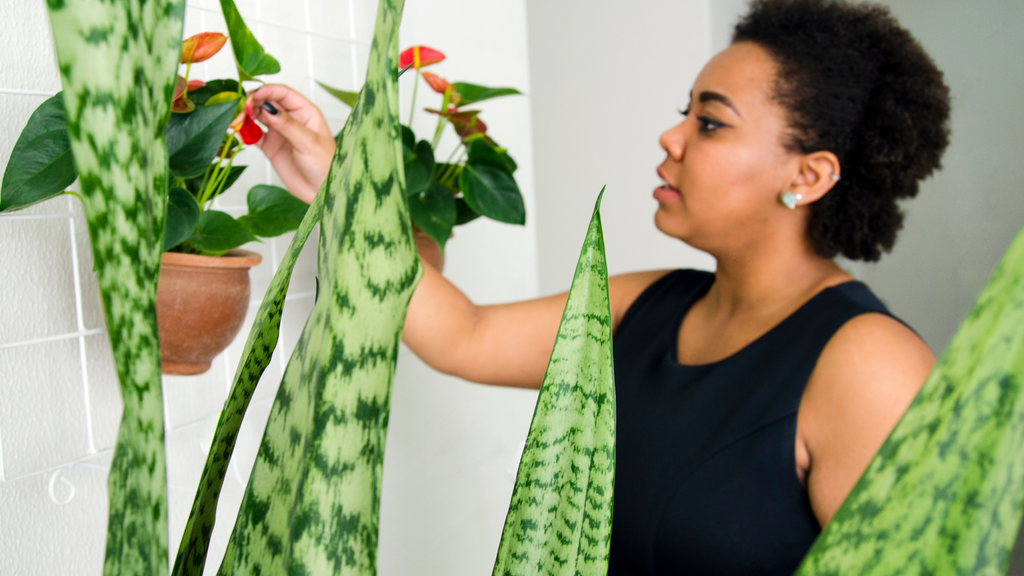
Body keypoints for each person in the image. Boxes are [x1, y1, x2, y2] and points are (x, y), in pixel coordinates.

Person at [248, 0, 951, 572]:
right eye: (686, 112)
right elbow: (463, 335)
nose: (671, 138)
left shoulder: (870, 366)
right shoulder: (647, 306)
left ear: (808, 176)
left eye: (709, 122)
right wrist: (337, 179)